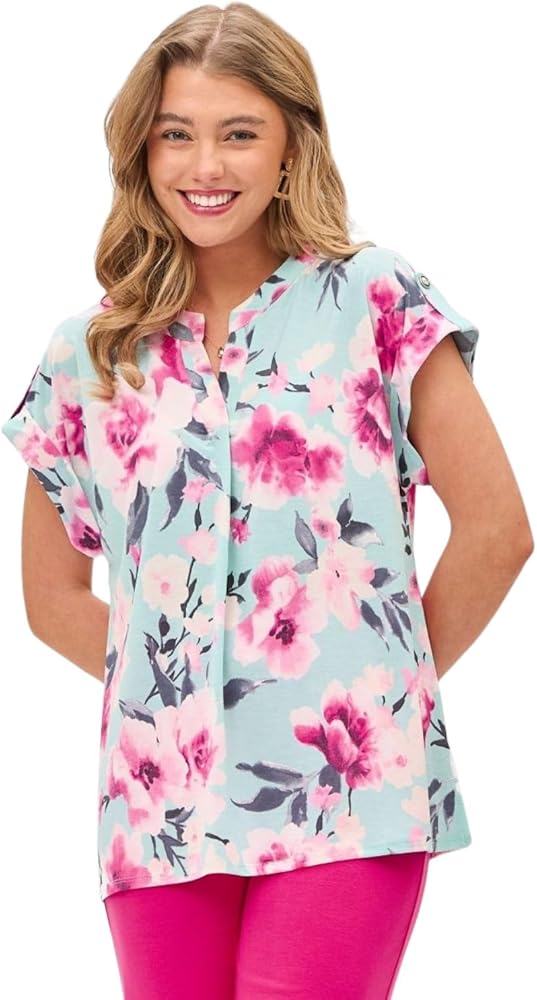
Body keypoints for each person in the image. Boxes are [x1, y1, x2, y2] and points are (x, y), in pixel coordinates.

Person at [2, 3, 534, 998]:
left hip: (347, 789)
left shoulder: (375, 298)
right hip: (157, 807)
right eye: (177, 133)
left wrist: (378, 689)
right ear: (143, 150)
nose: (206, 164)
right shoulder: (88, 354)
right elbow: (51, 599)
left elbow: (499, 529)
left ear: (293, 145)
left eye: (239, 133)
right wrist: (179, 690)